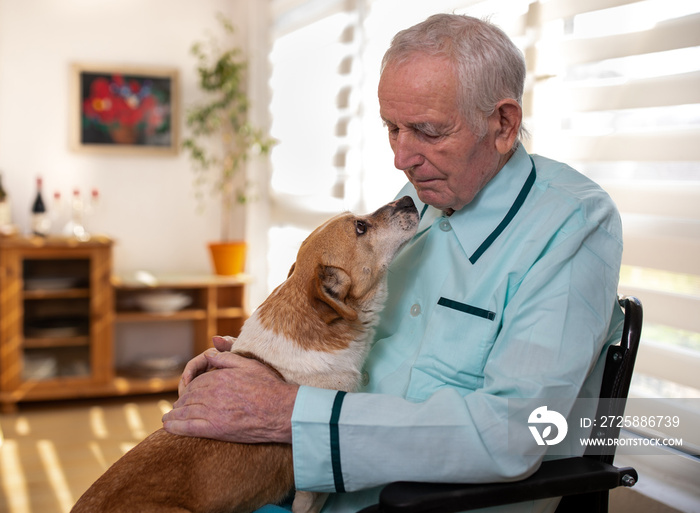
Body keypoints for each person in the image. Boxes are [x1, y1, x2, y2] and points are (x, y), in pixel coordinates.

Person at [162, 13, 624, 513]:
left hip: (411, 501)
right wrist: (263, 365)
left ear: (504, 124)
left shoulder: (574, 222)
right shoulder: (423, 193)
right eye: (392, 128)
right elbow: (363, 340)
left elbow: (512, 433)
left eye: (427, 131)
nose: (402, 158)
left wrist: (287, 411)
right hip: (319, 481)